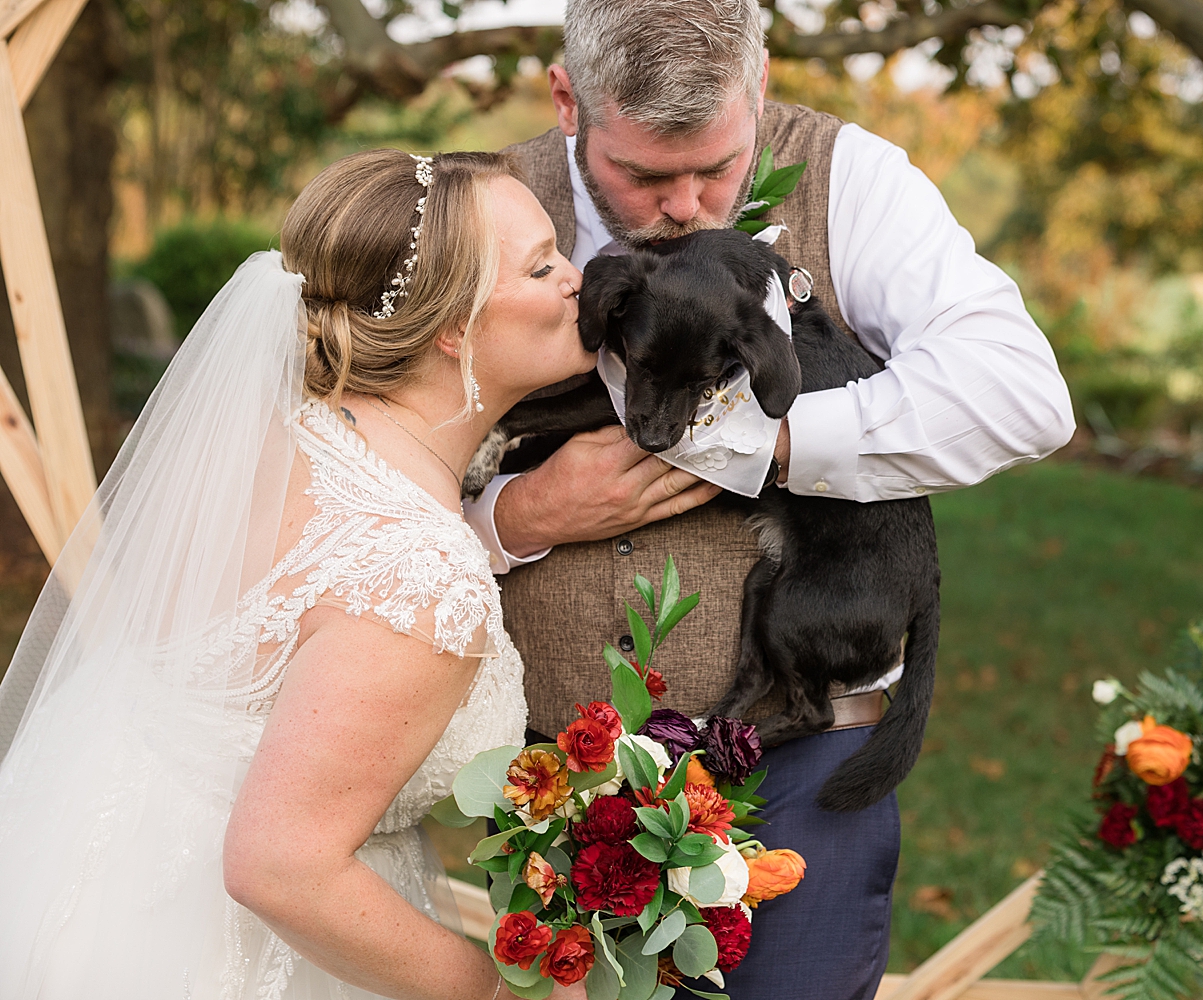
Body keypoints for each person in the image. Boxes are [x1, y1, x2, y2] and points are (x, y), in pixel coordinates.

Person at [459, 2, 1076, 998]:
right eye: (647, 176)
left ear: (758, 88)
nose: (691, 206)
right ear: (568, 100)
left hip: (799, 752)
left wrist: (768, 444)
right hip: (561, 779)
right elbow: (368, 477)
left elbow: (1022, 396)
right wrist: (515, 520)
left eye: (720, 166)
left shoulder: (853, 178)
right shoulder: (472, 207)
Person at [0, 149, 593, 1000]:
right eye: (542, 265)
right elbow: (280, 866)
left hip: (88, 887)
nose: (578, 278)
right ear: (451, 328)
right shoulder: (419, 575)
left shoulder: (276, 440)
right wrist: (502, 988)